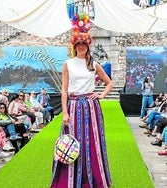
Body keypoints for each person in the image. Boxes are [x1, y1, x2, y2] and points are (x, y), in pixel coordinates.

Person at [50, 13, 113, 188]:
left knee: (92, 142)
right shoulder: (67, 64)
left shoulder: (94, 64)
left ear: (87, 45)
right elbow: (64, 89)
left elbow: (109, 83)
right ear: (74, 45)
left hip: (91, 108)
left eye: (84, 43)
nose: (81, 46)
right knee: (70, 142)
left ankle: (92, 179)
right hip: (73, 105)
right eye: (78, 44)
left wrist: (101, 95)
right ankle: (69, 180)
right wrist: (65, 112)